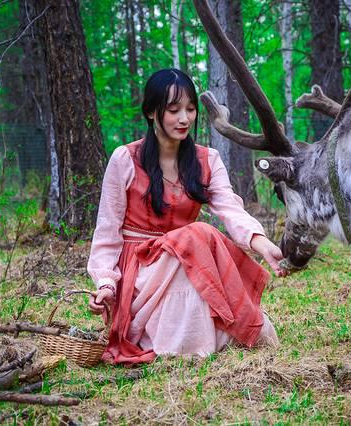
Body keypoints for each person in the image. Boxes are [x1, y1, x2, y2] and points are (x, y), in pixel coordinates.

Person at [86, 68, 287, 365]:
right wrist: (106, 283)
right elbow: (107, 232)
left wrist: (260, 242)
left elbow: (230, 209)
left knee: (193, 242)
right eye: (174, 110)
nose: (184, 119)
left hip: (185, 262)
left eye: (190, 109)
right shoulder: (125, 159)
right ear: (152, 112)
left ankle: (191, 338)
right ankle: (176, 339)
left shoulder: (208, 160)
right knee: (198, 235)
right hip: (140, 270)